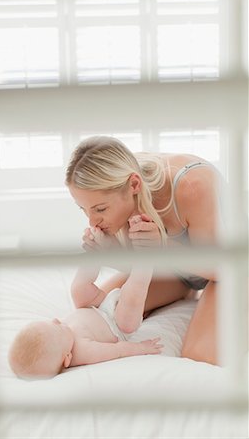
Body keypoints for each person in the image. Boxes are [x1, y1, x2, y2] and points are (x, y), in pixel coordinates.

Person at [65, 136, 223, 365]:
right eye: (84, 210)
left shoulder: (191, 185)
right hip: (180, 273)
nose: (92, 222)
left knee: (200, 357)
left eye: (100, 209)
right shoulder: (121, 180)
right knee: (99, 312)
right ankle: (184, 293)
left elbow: (220, 268)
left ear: (135, 185)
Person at [8, 287, 163, 379]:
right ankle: (143, 268)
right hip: (118, 323)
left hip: (99, 308)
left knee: (78, 289)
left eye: (51, 322)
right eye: (57, 327)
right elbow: (118, 350)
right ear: (67, 358)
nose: (56, 320)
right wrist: (142, 348)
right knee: (132, 295)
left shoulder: (61, 339)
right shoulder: (83, 351)